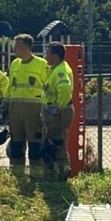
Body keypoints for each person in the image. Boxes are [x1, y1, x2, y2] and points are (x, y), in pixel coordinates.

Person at [4, 34, 48, 182]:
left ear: (26, 47)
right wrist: (5, 102)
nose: (14, 49)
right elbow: (11, 84)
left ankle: (37, 174)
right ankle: (17, 174)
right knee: (16, 142)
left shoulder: (42, 64)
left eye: (16, 46)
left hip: (34, 109)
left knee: (34, 141)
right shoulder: (15, 64)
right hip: (15, 108)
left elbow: (48, 86)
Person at [42, 43, 74, 181]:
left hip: (57, 114)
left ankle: (61, 175)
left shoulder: (61, 71)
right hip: (52, 113)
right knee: (52, 143)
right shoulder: (55, 69)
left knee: (57, 144)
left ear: (54, 56)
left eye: (47, 53)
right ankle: (54, 174)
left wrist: (58, 109)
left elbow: (65, 90)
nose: (45, 56)